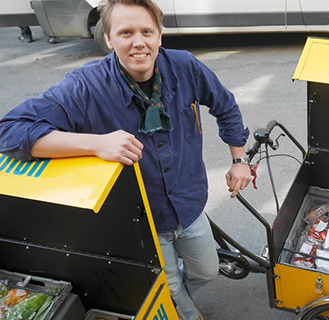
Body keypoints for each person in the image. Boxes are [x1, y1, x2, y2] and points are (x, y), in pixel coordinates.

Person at [0, 0, 252, 319]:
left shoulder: (185, 67)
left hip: (189, 204)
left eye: (147, 31)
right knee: (170, 287)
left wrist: (239, 159)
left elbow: (225, 105)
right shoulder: (85, 86)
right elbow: (9, 132)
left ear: (159, 35)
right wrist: (96, 144)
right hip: (140, 220)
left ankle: (176, 299)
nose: (138, 42)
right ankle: (187, 313)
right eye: (125, 32)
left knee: (207, 271)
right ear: (109, 39)